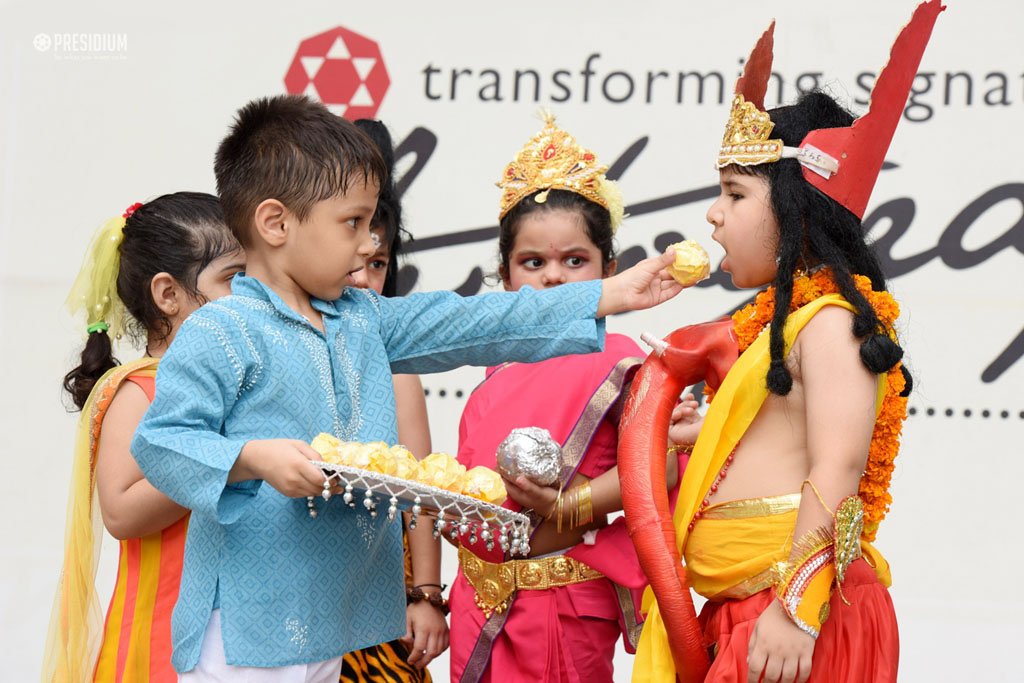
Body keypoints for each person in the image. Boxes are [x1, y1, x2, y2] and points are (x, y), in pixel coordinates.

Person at [130, 94, 686, 681]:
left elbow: (474, 323)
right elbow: (161, 442)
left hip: (333, 618)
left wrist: (608, 294)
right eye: (352, 223)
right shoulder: (222, 329)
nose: (370, 244)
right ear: (276, 224)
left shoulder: (362, 319)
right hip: (247, 621)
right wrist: (253, 458)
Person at [627, 4, 942, 682]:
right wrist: (710, 434)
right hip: (753, 613)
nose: (714, 214)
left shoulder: (831, 322)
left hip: (796, 617)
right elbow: (789, 437)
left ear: (796, 208)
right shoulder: (789, 324)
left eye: (735, 194)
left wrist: (797, 608)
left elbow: (838, 463)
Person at [448, 114, 699, 683]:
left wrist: (570, 505)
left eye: (575, 261)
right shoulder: (497, 367)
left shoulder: (621, 359)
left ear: (610, 270)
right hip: (480, 603)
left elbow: (664, 463)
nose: (554, 278)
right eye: (533, 263)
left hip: (564, 609)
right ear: (506, 276)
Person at [42, 193, 244, 682]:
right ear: (168, 294)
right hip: (159, 640)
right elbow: (120, 513)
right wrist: (230, 457)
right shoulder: (138, 390)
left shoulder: (240, 387)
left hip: (236, 636)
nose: (254, 297)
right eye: (236, 279)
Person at [339, 119, 445, 682]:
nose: (362, 279)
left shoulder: (394, 366)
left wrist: (426, 595)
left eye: (378, 265)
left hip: (382, 600)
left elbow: (420, 491)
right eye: (353, 261)